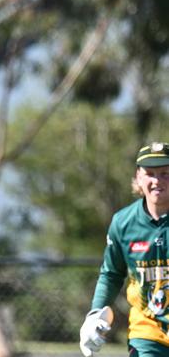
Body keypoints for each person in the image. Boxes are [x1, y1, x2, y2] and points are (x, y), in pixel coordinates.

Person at [80, 142, 169, 357]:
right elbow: (111, 274)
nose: (157, 180)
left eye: (165, 173)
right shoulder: (123, 223)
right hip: (147, 333)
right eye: (150, 173)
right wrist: (94, 314)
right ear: (138, 177)